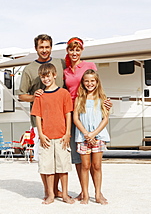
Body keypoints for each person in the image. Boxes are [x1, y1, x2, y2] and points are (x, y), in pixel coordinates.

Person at [63, 37, 112, 201]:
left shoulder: (89, 66)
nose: (75, 52)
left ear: (82, 50)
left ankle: (98, 193)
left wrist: (106, 102)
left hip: (94, 121)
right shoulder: (66, 70)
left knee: (96, 164)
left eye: (77, 49)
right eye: (71, 49)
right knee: (80, 161)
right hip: (76, 115)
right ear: (68, 51)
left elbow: (98, 85)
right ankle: (84, 192)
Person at [18, 34, 65, 199]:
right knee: (45, 159)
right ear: (36, 48)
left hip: (60, 121)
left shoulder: (61, 63)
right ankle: (48, 191)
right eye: (41, 47)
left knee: (59, 157)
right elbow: (21, 95)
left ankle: (57, 189)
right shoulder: (29, 69)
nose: (44, 50)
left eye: (47, 47)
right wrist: (35, 97)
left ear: (51, 47)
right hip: (40, 122)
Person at [30, 63, 74, 205]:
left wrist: (67, 133)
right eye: (43, 77)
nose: (46, 79)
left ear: (54, 75)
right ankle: (50, 194)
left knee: (63, 167)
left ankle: (65, 194)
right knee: (47, 168)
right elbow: (37, 116)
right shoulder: (40, 96)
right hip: (46, 138)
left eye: (48, 76)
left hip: (62, 137)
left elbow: (68, 114)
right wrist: (41, 135)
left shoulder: (64, 93)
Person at [73, 69, 110, 205]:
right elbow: (76, 119)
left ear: (97, 82)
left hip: (98, 136)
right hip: (83, 137)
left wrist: (93, 134)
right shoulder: (79, 98)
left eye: (92, 81)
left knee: (97, 166)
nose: (89, 83)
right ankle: (86, 195)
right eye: (87, 81)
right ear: (83, 82)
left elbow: (105, 119)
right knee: (85, 166)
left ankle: (98, 194)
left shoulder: (102, 98)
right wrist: (86, 134)